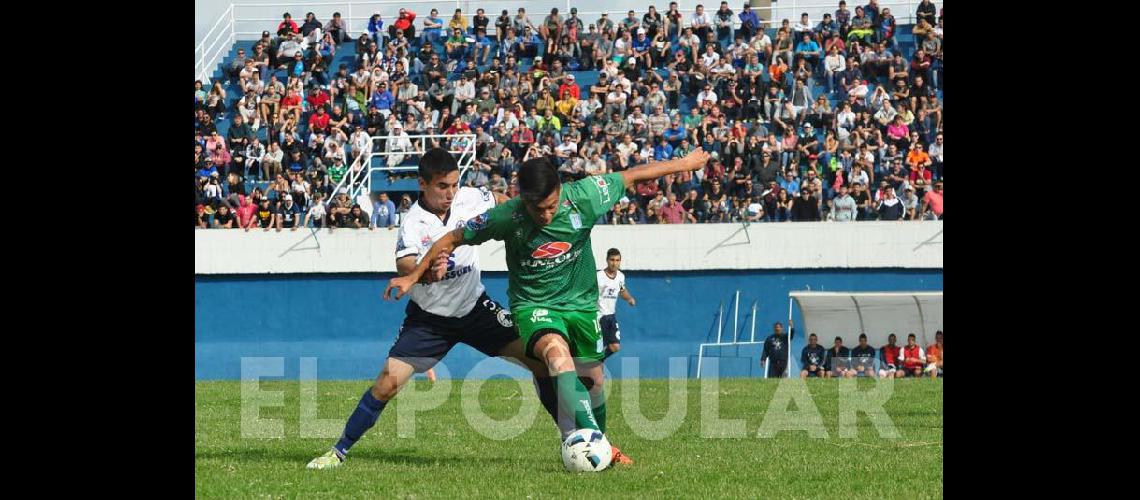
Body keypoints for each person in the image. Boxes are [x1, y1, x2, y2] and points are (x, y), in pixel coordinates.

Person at [386, 147, 713, 466]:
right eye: (537, 208)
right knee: (558, 360)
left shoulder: (585, 195)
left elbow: (631, 174)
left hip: (582, 304)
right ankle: (601, 448)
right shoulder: (507, 215)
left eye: (552, 206)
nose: (545, 215)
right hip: (533, 305)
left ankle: (596, 442)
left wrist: (685, 162)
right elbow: (451, 238)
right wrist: (414, 275)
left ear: (560, 191)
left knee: (594, 381)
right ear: (523, 200)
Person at [307, 149, 568, 470]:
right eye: (442, 186)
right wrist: (427, 270)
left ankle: (574, 440)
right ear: (422, 184)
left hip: (477, 310)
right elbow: (404, 264)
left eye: (454, 185)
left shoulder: (471, 198)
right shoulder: (414, 222)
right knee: (388, 382)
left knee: (541, 362)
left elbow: (503, 201)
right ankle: (339, 451)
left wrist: (525, 216)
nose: (450, 193)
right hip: (430, 322)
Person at [597, 248, 636, 361]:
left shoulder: (620, 276)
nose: (614, 263)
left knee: (615, 346)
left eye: (617, 260)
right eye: (612, 260)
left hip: (611, 317)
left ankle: (597, 363)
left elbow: (622, 290)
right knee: (597, 348)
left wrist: (629, 298)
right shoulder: (598, 276)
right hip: (598, 316)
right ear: (607, 260)